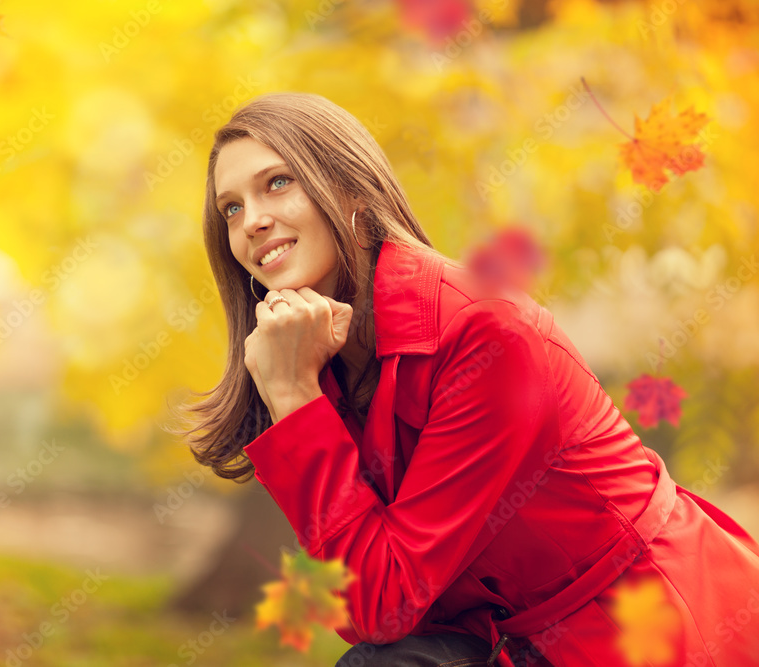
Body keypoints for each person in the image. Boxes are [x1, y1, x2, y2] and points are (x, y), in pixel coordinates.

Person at [167, 91, 759, 666]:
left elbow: (379, 603)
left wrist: (294, 399)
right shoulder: (317, 354)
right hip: (515, 641)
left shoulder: (486, 332)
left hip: (659, 627)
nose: (251, 221)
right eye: (231, 208)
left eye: (277, 182)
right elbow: (359, 593)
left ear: (350, 186)